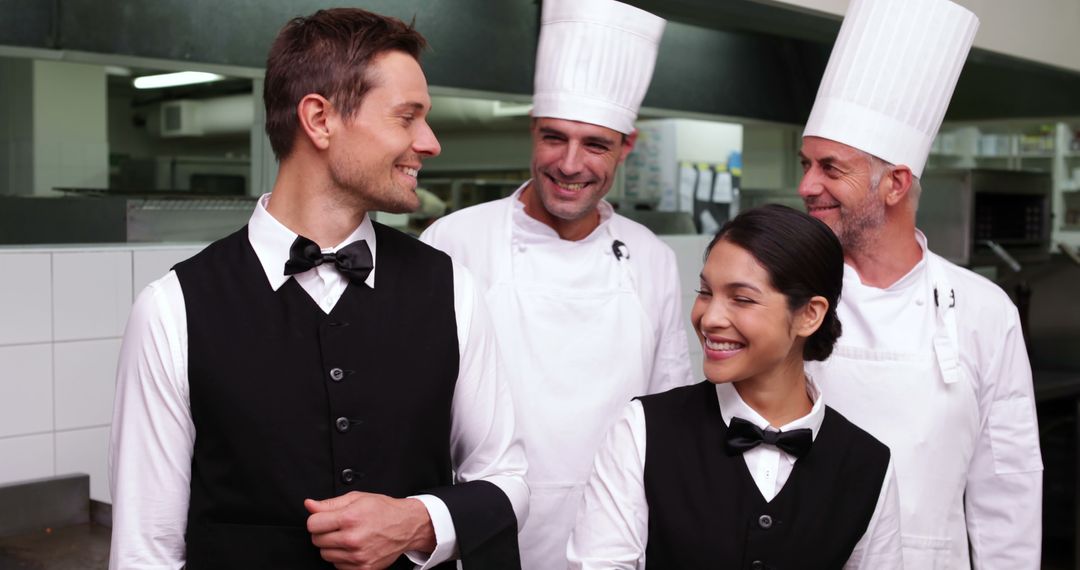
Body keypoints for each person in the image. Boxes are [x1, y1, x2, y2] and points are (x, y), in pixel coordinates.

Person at [108, 8, 527, 569]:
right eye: (408, 117)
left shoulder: (452, 288)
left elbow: (507, 480)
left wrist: (417, 522)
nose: (429, 142)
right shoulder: (171, 310)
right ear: (320, 119)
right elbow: (145, 551)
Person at [419, 0, 692, 567]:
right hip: (482, 532)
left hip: (614, 533)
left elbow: (669, 413)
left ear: (626, 147)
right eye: (553, 138)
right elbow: (418, 407)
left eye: (595, 144)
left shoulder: (650, 256)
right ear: (532, 131)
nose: (570, 164)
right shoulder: (455, 240)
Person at [797, 0, 1043, 567]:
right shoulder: (789, 287)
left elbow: (1006, 482)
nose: (807, 185)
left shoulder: (984, 308)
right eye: (806, 163)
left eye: (831, 168)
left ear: (895, 184)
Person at [567, 204, 902, 569]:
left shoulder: (869, 465)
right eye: (705, 292)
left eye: (741, 299)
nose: (709, 318)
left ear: (809, 314)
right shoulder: (642, 430)